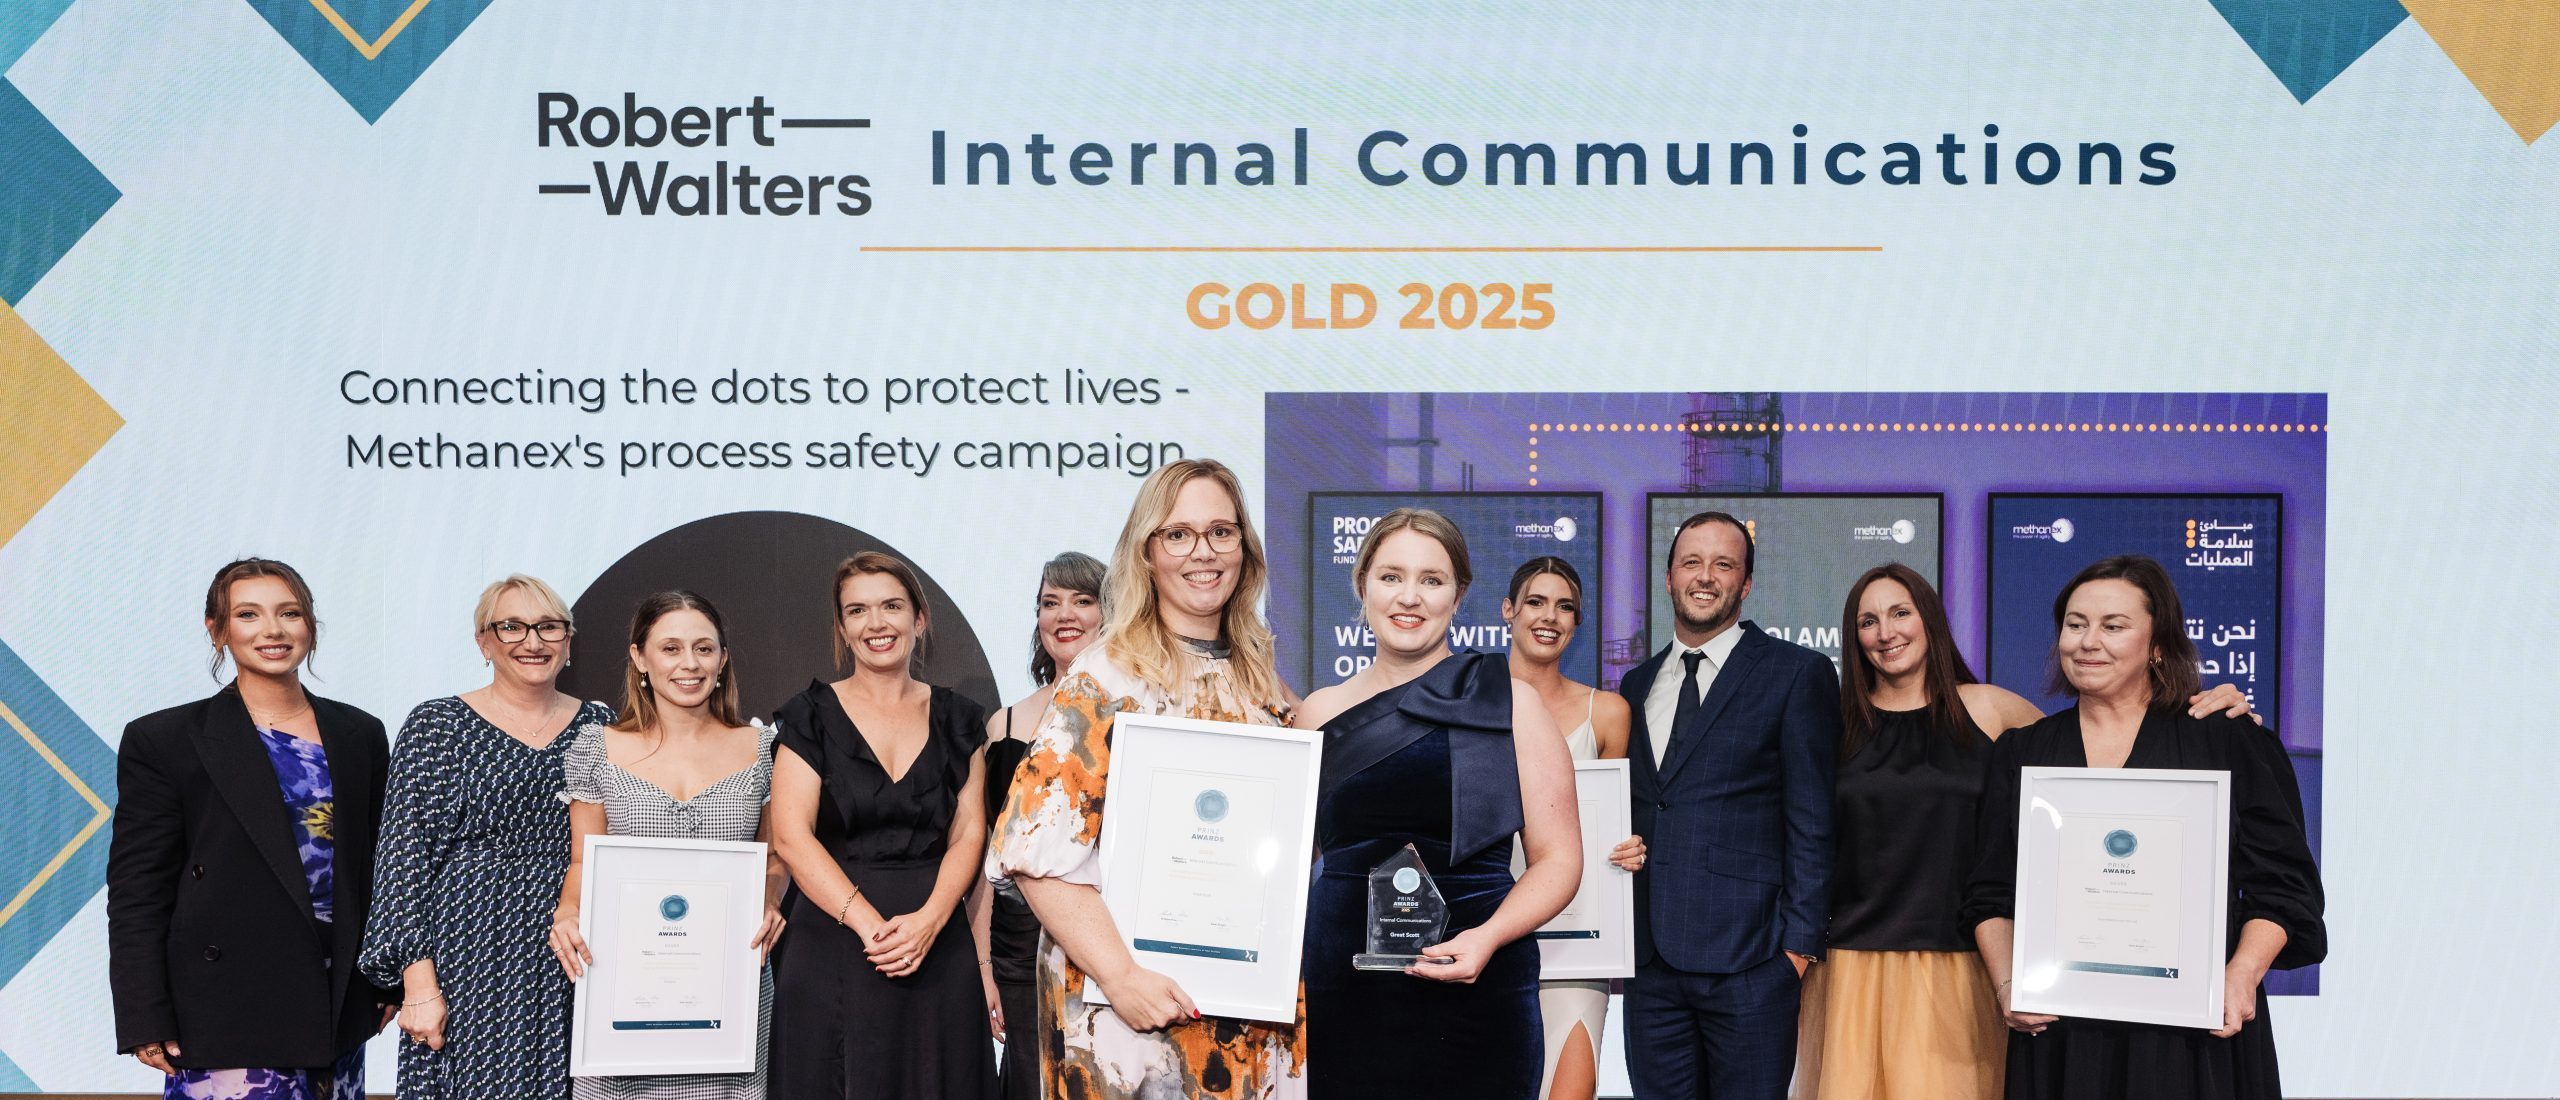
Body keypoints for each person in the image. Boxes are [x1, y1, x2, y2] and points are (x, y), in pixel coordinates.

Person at [1798, 563, 2260, 1100]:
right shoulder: (1832, 723)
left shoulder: (1992, 709)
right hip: (1853, 963)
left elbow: (2097, 768)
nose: (1886, 631)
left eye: (1901, 612)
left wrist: (2224, 718)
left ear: (1930, 620)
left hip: (1965, 965)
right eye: (1868, 621)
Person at [986, 458, 1306, 1099]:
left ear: (1244, 548)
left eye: (1221, 532)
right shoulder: (1104, 678)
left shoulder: (1263, 687)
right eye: (1178, 534)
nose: (1203, 552)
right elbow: (1034, 856)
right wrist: (1121, 976)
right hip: (1126, 1019)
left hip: (1246, 1010)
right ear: (1147, 552)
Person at [1965, 556, 2323, 1100]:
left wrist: (2242, 974)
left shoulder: (2224, 738)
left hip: (2193, 1032)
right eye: (2075, 624)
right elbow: (1990, 891)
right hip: (2064, 1033)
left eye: (2113, 626)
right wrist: (2009, 984)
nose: (2088, 642)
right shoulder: (2024, 752)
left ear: (2157, 645)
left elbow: (2284, 888)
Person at [1294, 509, 1583, 1099]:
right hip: (1346, 990)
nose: (1410, 597)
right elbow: (1294, 862)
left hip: (1478, 985)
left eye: (1431, 580)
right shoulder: (1318, 712)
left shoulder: (1512, 703)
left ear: (1458, 595)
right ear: (1363, 586)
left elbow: (1559, 860)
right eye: (1391, 576)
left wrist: (1489, 937)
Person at [108, 558, 397, 1099]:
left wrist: (387, 977)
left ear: (309, 625)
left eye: (290, 613)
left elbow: (379, 868)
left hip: (335, 999)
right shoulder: (166, 738)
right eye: (248, 614)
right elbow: (137, 889)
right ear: (216, 629)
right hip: (224, 1005)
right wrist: (144, 1012)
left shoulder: (359, 732)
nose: (273, 630)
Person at [360, 575, 614, 1099]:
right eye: (512, 627)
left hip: (577, 955)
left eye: (549, 626)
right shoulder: (437, 725)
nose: (533, 641)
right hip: (470, 961)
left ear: (568, 641)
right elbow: (403, 862)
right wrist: (418, 985)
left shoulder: (601, 726)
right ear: (484, 642)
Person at [1619, 512, 1838, 1100]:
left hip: (1752, 964)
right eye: (1691, 562)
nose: (1705, 576)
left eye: (1724, 564)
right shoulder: (1635, 685)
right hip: (1650, 968)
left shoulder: (1797, 673)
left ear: (1746, 583)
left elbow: (1814, 822)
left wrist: (1795, 953)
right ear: (1669, 577)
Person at [769, 552, 995, 1098]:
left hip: (937, 943)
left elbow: (969, 833)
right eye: (858, 611)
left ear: (919, 618)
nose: (876, 624)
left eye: (891, 606)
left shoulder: (961, 719)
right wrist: (873, 928)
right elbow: (791, 838)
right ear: (842, 628)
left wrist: (930, 922)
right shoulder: (807, 716)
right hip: (832, 942)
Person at [548, 591, 787, 1100]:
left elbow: (774, 856)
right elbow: (583, 861)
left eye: (704, 648)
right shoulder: (597, 747)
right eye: (671, 648)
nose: (690, 664)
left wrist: (769, 901)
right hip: (624, 989)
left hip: (728, 986)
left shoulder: (763, 749)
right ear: (640, 657)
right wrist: (568, 912)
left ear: (723, 659)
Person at [1499, 556, 1642, 1100]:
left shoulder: (1608, 713)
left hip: (1577, 950)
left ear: (1577, 623)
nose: (1549, 617)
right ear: (1509, 610)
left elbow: (1612, 821)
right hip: (1485, 939)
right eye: (1535, 602)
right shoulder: (1470, 702)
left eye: (1564, 607)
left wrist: (1627, 850)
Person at [969, 550, 1105, 1100]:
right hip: (1019, 951)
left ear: (1109, 612)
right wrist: (983, 965)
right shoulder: (1002, 724)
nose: (1064, 614)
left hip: (1105, 942)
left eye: (1082, 600)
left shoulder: (1139, 711)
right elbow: (986, 856)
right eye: (1051, 602)